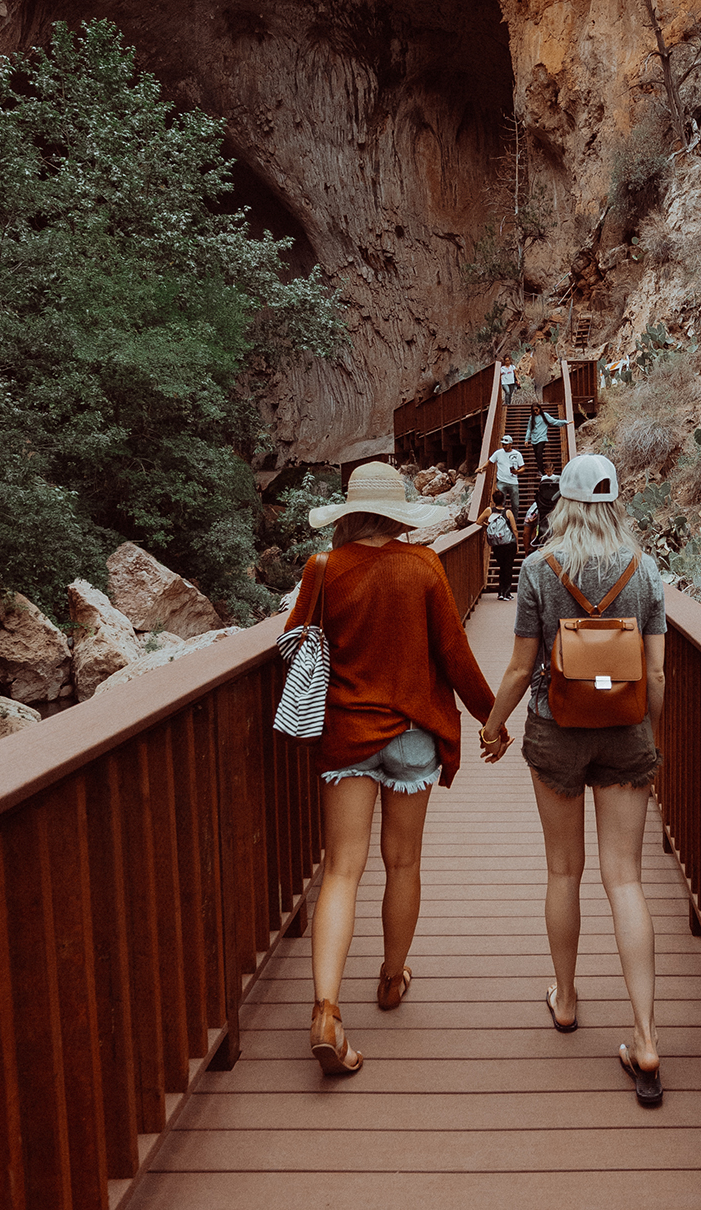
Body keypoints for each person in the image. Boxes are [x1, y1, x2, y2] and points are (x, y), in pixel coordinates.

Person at [283, 461, 495, 1076]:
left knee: (343, 871)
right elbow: (454, 654)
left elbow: (296, 641)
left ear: (347, 515)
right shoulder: (424, 567)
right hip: (412, 736)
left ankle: (326, 1009)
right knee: (403, 863)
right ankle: (391, 977)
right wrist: (490, 718)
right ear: (399, 514)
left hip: (347, 733)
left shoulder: (323, 569)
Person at [477, 454, 668, 1106]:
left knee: (564, 872)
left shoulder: (538, 568)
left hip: (555, 729)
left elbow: (518, 665)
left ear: (565, 502)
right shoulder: (645, 571)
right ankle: (644, 1037)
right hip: (625, 733)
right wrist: (651, 737)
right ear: (615, 501)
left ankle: (565, 999)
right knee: (627, 879)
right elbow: (658, 673)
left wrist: (492, 727)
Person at [478, 487, 519, 599]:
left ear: (493, 500)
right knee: (508, 568)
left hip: (497, 545)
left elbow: (478, 522)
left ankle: (500, 592)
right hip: (508, 543)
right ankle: (506, 593)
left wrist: (489, 527)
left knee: (502, 567)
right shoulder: (508, 512)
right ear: (503, 500)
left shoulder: (489, 511)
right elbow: (514, 529)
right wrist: (517, 543)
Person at [487, 432, 524, 518]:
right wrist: (481, 467)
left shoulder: (517, 454)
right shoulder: (498, 453)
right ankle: (500, 520)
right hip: (501, 481)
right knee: (500, 503)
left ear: (510, 444)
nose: (504, 446)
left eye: (506, 444)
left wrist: (517, 472)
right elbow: (490, 461)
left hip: (513, 481)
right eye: (503, 444)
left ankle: (513, 520)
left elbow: (523, 467)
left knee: (515, 504)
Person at [525, 402, 565, 476]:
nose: (535, 412)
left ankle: (541, 470)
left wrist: (564, 422)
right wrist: (526, 439)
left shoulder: (545, 416)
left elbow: (554, 421)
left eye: (536, 410)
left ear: (539, 409)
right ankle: (540, 470)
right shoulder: (532, 418)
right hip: (534, 439)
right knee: (537, 455)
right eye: (533, 410)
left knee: (539, 453)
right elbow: (529, 429)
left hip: (542, 438)